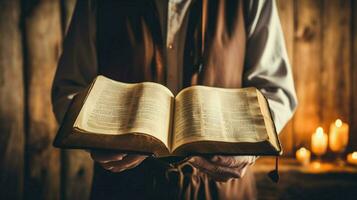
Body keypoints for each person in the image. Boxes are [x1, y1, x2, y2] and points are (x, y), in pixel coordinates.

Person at [52, 0, 297, 199]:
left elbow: (275, 90)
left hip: (224, 191)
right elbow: (70, 89)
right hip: (123, 188)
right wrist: (96, 138)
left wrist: (250, 147)